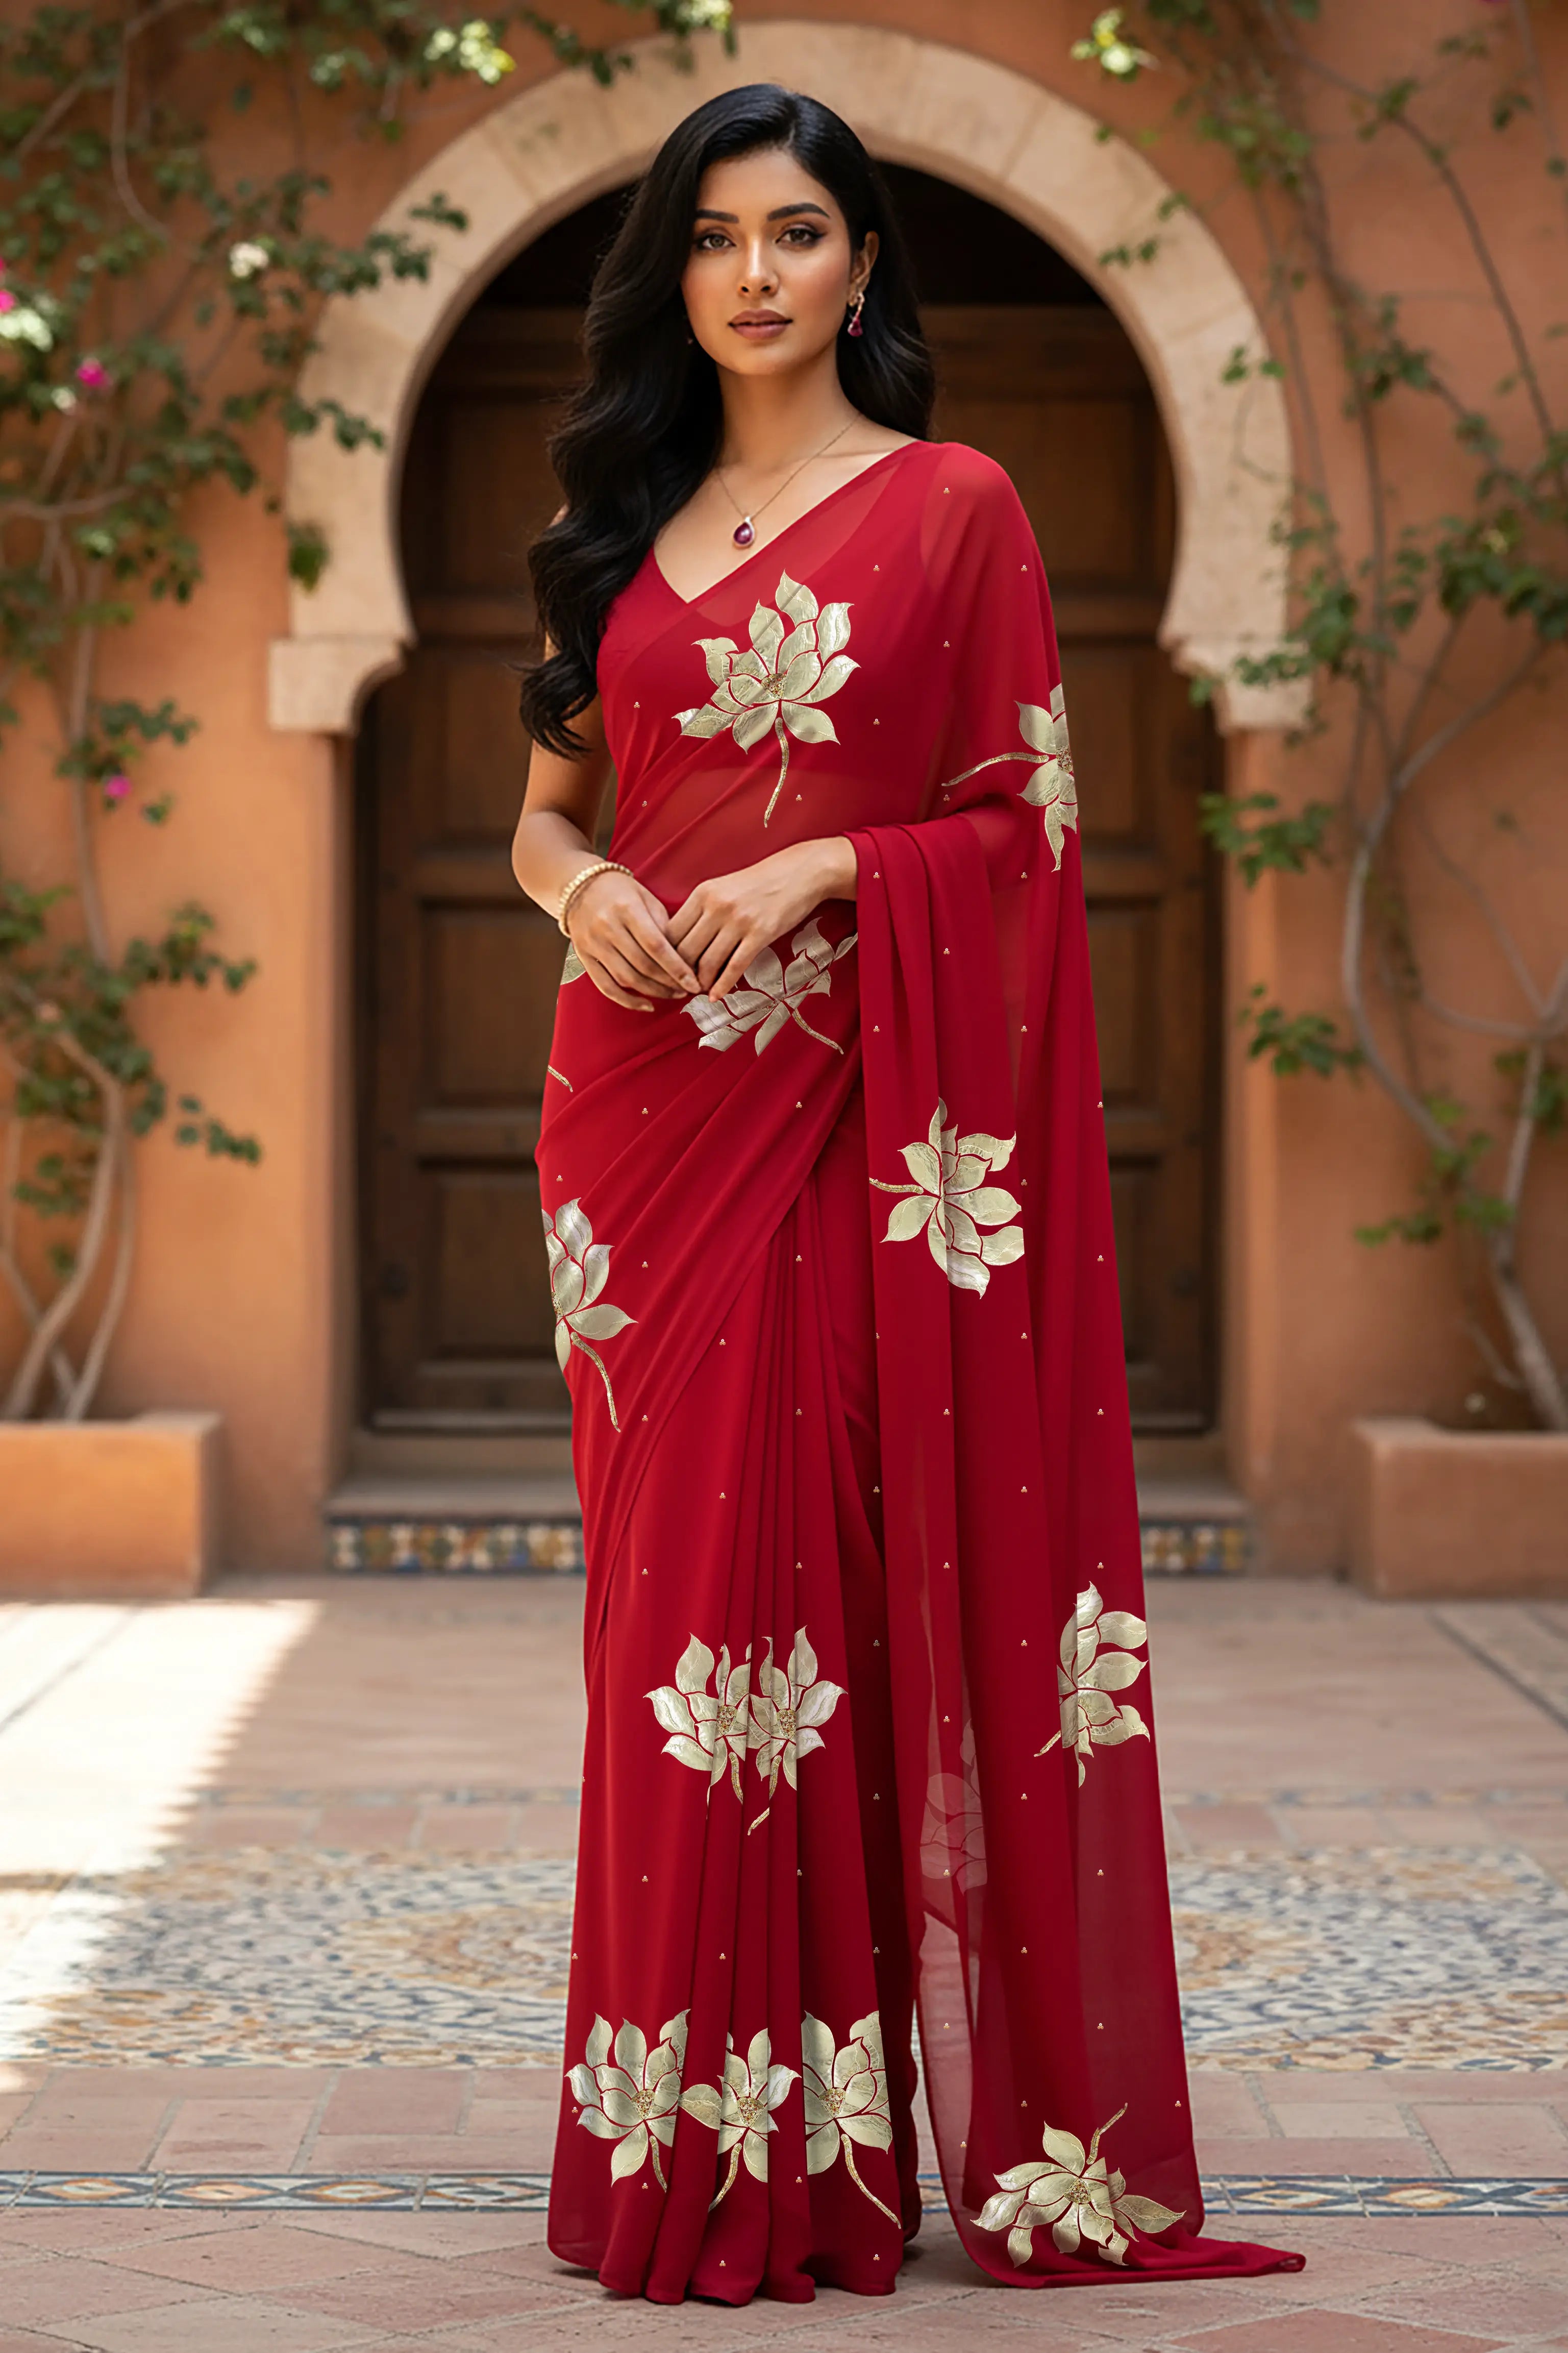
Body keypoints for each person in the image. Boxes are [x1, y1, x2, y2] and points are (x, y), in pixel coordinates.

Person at [511, 80, 1302, 2309]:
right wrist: (578, 893)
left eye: (798, 233)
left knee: (809, 1600)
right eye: (714, 237)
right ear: (673, 268)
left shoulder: (954, 509)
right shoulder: (621, 518)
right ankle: (683, 2145)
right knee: (669, 1629)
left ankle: (812, 2170)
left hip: (851, 1130)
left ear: (863, 265)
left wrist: (830, 861)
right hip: (637, 1137)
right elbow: (542, 812)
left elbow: (1023, 833)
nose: (753, 273)